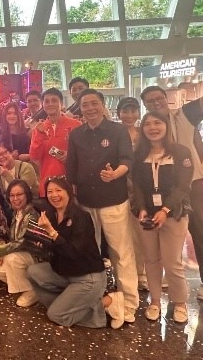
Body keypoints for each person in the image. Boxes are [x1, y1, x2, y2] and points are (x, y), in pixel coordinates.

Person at [67, 89, 139, 323]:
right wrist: (73, 197)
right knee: (92, 252)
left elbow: (127, 159)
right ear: (80, 108)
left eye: (94, 103)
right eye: (85, 104)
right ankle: (99, 296)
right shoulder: (76, 134)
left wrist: (116, 173)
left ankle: (130, 301)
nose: (90, 108)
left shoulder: (117, 131)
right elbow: (71, 168)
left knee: (121, 252)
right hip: (86, 203)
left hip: (113, 201)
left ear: (103, 104)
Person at [140, 85, 203, 302]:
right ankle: (170, 275)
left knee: (200, 230)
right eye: (150, 101)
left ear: (166, 98)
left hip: (191, 184)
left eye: (158, 98)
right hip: (159, 188)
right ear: (145, 105)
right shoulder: (148, 127)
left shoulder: (184, 114)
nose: (155, 103)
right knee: (166, 232)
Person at [27, 177, 125, 329]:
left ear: (69, 192)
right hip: (66, 272)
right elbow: (54, 250)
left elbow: (74, 253)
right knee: (33, 272)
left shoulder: (81, 217)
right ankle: (68, 306)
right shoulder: (51, 216)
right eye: (50, 191)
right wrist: (41, 242)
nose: (54, 195)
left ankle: (106, 303)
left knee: (55, 315)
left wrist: (51, 232)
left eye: (58, 190)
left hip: (88, 278)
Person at [131, 112, 193, 323]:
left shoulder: (180, 152)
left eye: (157, 123)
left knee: (172, 262)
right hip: (147, 216)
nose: (153, 128)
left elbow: (183, 186)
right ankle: (155, 301)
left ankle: (180, 302)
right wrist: (141, 208)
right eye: (147, 124)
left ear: (166, 126)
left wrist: (165, 210)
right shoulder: (139, 154)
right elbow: (137, 186)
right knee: (151, 260)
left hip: (174, 215)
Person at [0, 180, 50, 307]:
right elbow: (13, 239)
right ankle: (27, 286)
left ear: (27, 195)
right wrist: (2, 254)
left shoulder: (31, 215)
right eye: (12, 195)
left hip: (37, 257)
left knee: (12, 259)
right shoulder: (16, 213)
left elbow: (21, 242)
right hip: (23, 254)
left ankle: (33, 291)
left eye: (19, 194)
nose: (15, 199)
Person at [117, 96, 147, 291]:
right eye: (125, 111)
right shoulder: (115, 133)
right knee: (121, 236)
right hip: (119, 188)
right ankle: (124, 275)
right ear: (119, 113)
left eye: (133, 111)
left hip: (141, 190)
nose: (129, 115)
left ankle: (141, 273)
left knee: (139, 234)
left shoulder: (144, 135)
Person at [29, 88, 81, 196]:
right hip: (48, 186)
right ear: (43, 105)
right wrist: (39, 134)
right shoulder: (38, 128)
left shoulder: (76, 125)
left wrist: (71, 155)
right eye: (47, 101)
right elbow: (34, 157)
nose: (50, 104)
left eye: (54, 100)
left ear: (61, 103)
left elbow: (85, 153)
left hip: (71, 185)